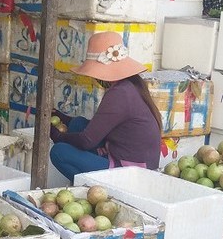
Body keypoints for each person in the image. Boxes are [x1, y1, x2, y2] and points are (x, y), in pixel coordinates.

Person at [49, 32, 162, 182]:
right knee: (78, 124)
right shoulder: (130, 86)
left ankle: (97, 189)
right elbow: (99, 127)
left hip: (132, 174)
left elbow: (86, 141)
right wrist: (64, 118)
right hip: (125, 157)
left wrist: (57, 136)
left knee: (59, 152)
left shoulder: (120, 94)